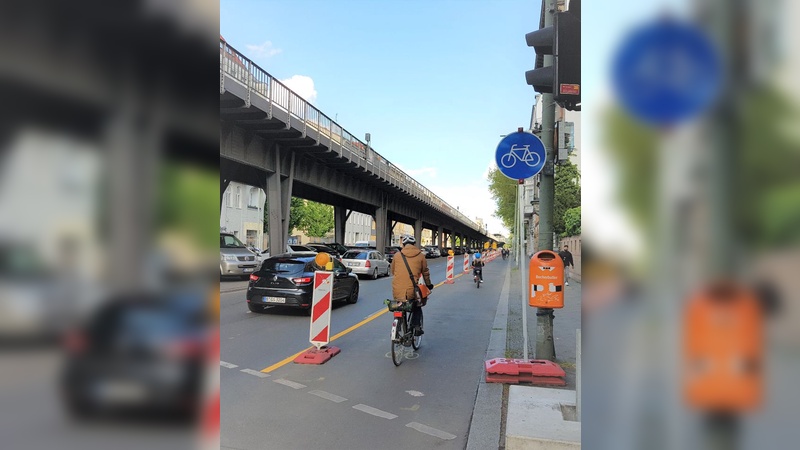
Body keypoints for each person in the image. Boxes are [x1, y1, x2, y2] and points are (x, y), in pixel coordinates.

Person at [391, 235, 433, 336]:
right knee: (417, 305)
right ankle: (417, 326)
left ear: (404, 245)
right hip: (411, 291)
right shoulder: (421, 256)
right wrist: (429, 284)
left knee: (399, 306)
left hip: (397, 290)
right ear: (414, 244)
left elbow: (393, 271)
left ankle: (397, 325)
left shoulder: (397, 255)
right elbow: (425, 272)